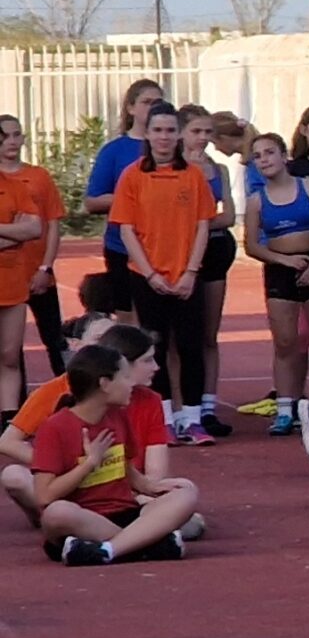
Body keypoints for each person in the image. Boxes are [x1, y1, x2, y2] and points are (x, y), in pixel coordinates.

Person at [108, 102, 219, 444]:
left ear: (180, 134)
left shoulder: (193, 175)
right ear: (148, 133)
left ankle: (194, 419)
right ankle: (164, 419)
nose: (164, 137)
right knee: (153, 351)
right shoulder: (133, 175)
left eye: (171, 130)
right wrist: (150, 274)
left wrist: (190, 273)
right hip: (147, 277)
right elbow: (127, 230)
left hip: (186, 277)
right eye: (158, 130)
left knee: (190, 346)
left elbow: (203, 226)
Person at [33, 343, 200, 566]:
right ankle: (145, 543)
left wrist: (149, 486)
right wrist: (89, 464)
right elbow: (44, 496)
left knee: (186, 491)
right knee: (57, 513)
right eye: (124, 377)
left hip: (125, 512)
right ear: (104, 383)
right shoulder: (55, 428)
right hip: (83, 518)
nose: (131, 383)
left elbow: (126, 467)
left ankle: (107, 549)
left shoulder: (118, 416)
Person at [243, 132, 309, 437]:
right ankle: (286, 408)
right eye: (258, 156)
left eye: (270, 153)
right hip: (281, 269)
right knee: (285, 342)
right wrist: (284, 261)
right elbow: (250, 245)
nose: (265, 160)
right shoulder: (256, 202)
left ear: (283, 155)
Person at [3, 311, 118, 522]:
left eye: (112, 340)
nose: (106, 348)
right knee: (14, 476)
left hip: (113, 477)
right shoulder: (52, 391)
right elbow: (7, 441)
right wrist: (54, 463)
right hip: (65, 482)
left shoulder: (126, 390)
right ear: (75, 344)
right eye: (98, 339)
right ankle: (48, 515)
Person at [179, 106, 239, 437]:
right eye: (196, 132)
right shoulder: (176, 169)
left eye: (207, 133)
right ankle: (178, 405)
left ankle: (207, 405)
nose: (202, 139)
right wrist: (199, 224)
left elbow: (228, 215)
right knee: (179, 337)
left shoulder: (218, 170)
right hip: (182, 252)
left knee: (208, 334)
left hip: (216, 248)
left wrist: (200, 223)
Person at [82, 78, 165, 317]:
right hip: (122, 246)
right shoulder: (114, 150)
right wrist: (135, 197)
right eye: (146, 102)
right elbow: (92, 202)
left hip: (166, 247)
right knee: (129, 319)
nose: (152, 107)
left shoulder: (173, 148)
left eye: (157, 102)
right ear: (130, 108)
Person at [1, 115, 68, 400]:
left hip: (37, 272)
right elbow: (24, 230)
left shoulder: (39, 177)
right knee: (11, 349)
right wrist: (17, 232)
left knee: (54, 338)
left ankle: (72, 395)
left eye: (17, 134)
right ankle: (17, 409)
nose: (12, 142)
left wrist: (46, 267)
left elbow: (49, 224)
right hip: (8, 275)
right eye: (5, 136)